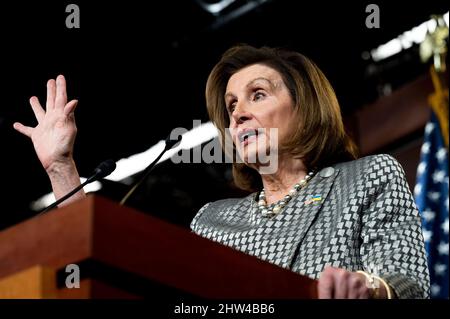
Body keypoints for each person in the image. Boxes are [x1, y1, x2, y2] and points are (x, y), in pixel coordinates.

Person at [14, 45, 430, 299]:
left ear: (304, 108)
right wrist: (62, 170)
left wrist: (371, 288)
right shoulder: (213, 221)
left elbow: (409, 283)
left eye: (258, 95)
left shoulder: (368, 176)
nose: (239, 113)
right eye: (231, 107)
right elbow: (124, 275)